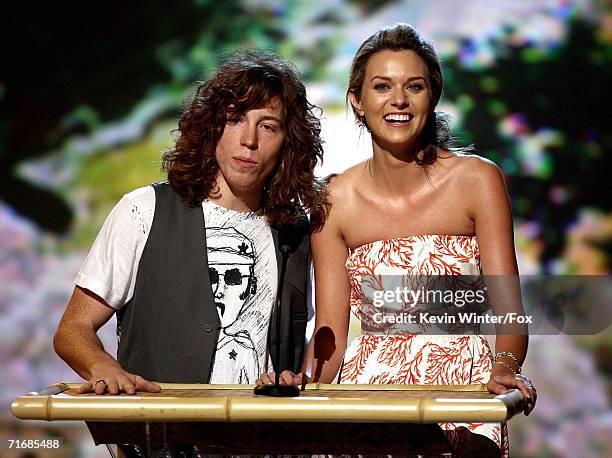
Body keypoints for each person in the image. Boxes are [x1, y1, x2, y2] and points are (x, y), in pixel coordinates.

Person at [258, 24, 536, 457]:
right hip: (369, 395)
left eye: (414, 86)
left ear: (433, 97)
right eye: (382, 86)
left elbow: (510, 311)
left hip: (462, 387)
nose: (398, 100)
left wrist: (504, 368)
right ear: (358, 101)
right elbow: (331, 329)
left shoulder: (477, 180)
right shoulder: (333, 199)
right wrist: (303, 380)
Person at [53, 49, 324, 397]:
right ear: (212, 126)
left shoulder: (296, 233)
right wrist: (104, 366)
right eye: (236, 118)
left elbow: (298, 348)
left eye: (268, 126)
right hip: (157, 441)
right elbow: (73, 329)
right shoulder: (143, 210)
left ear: (289, 143)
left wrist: (293, 378)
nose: (249, 140)